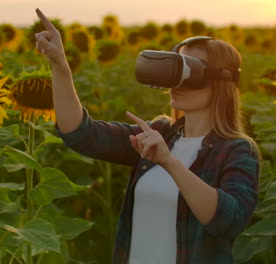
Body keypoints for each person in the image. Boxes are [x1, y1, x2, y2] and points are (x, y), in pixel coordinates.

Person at [34, 8, 260, 264]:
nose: (178, 82)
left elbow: (229, 221)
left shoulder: (236, 150)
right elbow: (81, 133)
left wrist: (170, 163)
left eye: (190, 71)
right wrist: (60, 65)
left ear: (221, 81)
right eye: (176, 68)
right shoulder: (161, 133)